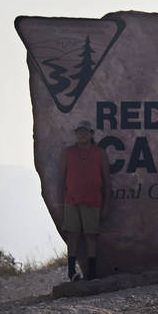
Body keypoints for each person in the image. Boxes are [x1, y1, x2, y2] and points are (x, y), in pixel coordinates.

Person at [58, 120, 111, 281]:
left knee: (91, 236)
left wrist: (106, 204)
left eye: (85, 131)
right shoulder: (68, 153)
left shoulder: (100, 153)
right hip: (71, 201)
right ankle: (71, 271)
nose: (82, 134)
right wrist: (60, 203)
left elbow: (107, 181)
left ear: (91, 134)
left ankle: (91, 273)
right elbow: (61, 179)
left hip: (93, 200)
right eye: (79, 132)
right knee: (72, 235)